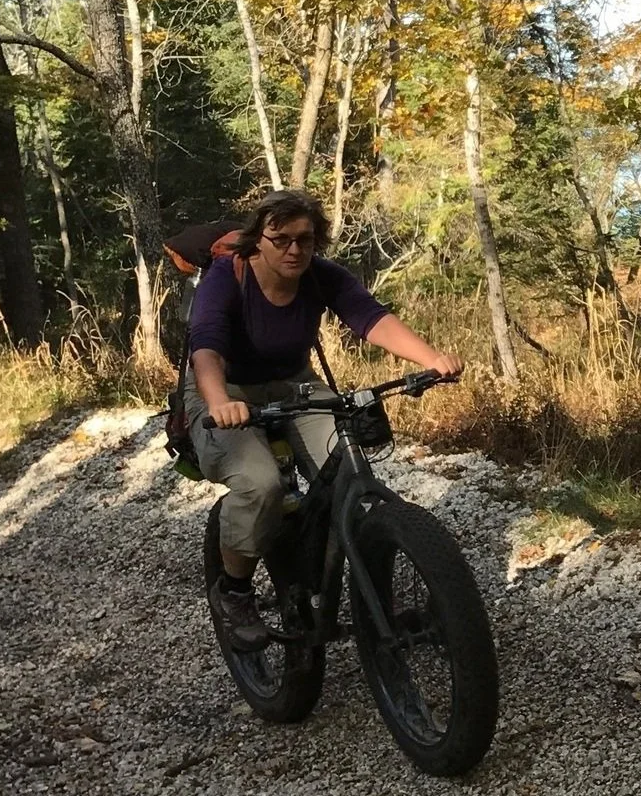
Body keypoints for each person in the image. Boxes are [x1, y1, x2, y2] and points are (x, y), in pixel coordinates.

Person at [185, 190, 463, 649]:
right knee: (260, 484)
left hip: (294, 383)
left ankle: (355, 584)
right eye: (281, 239)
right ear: (258, 240)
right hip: (225, 389)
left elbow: (370, 318)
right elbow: (207, 345)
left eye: (305, 239)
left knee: (347, 475)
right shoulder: (227, 276)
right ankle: (234, 592)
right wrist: (218, 401)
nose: (294, 249)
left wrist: (431, 359)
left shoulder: (321, 275)